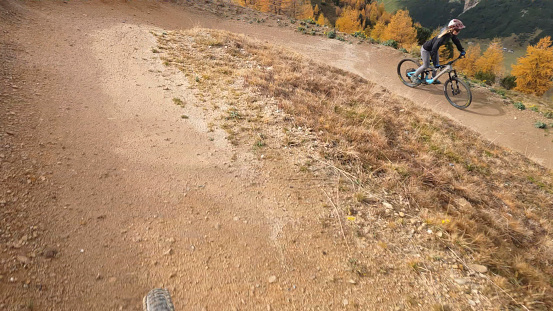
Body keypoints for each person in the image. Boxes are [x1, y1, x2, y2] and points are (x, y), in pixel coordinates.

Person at [411, 19, 466, 85]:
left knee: (436, 65)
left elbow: (456, 41)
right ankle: (414, 76)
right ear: (452, 29)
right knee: (426, 65)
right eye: (457, 30)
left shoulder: (451, 34)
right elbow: (434, 49)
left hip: (434, 50)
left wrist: (461, 50)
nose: (458, 32)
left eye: (459, 30)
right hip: (426, 49)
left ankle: (433, 79)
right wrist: (435, 63)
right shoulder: (442, 37)